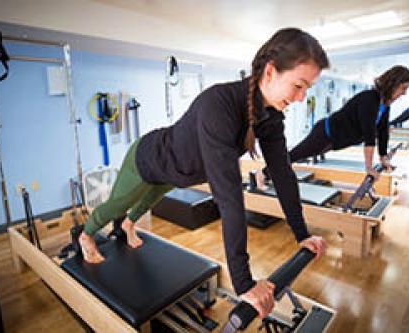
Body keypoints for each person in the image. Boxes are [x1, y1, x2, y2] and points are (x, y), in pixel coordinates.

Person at [78, 28, 329, 318]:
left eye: (307, 89)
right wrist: (243, 282)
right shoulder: (219, 103)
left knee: (149, 200)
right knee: (120, 204)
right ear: (270, 72)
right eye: (298, 85)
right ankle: (86, 234)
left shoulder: (269, 116)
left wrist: (301, 234)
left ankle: (128, 225)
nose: (301, 98)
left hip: (177, 173)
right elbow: (229, 196)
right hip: (148, 158)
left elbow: (283, 175)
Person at [256, 65, 409, 187]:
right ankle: (262, 173)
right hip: (324, 133)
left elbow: (382, 132)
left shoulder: (384, 104)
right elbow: (369, 134)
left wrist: (383, 158)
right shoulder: (370, 99)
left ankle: (269, 173)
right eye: (404, 88)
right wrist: (369, 168)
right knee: (295, 155)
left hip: (332, 140)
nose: (404, 93)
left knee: (297, 156)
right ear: (393, 83)